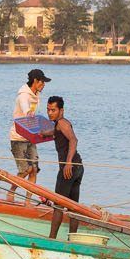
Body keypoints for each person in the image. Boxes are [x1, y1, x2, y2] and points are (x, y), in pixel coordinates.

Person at [8, 68, 50, 201]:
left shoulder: (36, 94)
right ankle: (11, 191)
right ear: (35, 81)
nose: (44, 85)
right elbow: (26, 108)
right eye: (42, 82)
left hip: (30, 136)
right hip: (18, 137)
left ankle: (28, 201)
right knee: (25, 170)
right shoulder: (23, 95)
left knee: (34, 169)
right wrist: (29, 113)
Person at [46, 95, 84, 239]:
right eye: (48, 110)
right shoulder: (59, 124)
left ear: (61, 110)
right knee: (74, 206)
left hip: (69, 168)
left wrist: (68, 163)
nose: (50, 113)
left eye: (53, 110)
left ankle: (51, 240)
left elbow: (73, 140)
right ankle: (72, 239)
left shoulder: (62, 122)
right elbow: (56, 132)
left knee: (58, 205)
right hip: (78, 167)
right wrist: (44, 134)